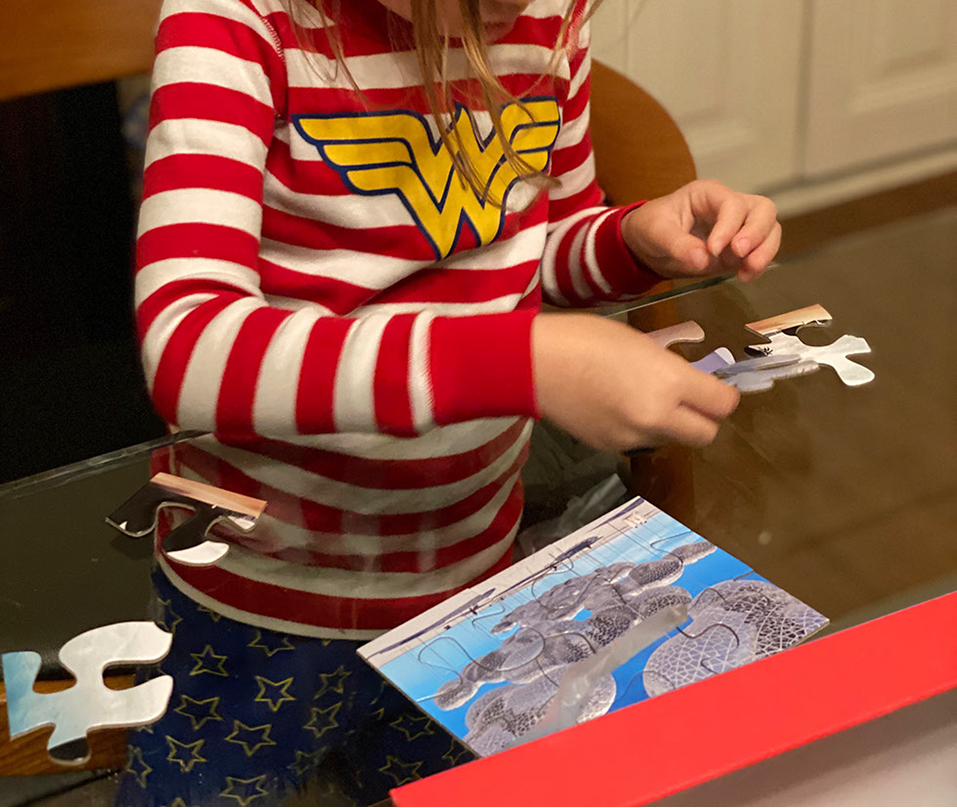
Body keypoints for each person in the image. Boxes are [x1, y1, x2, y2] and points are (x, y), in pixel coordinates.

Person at [121, 0, 781, 803]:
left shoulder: (545, 17)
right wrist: (521, 360)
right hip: (261, 595)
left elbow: (531, 251)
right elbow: (190, 349)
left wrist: (629, 239)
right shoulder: (236, 21)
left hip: (469, 572)